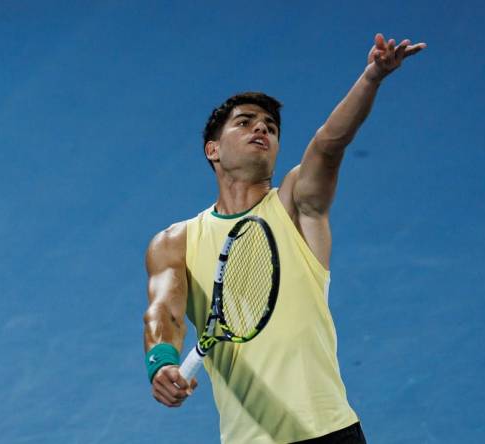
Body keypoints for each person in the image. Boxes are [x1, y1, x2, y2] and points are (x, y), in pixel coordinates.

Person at [143, 33, 426, 443]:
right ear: (213, 150)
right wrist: (162, 363)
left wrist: (372, 78)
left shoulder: (297, 206)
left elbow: (329, 144)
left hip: (331, 431)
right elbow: (164, 312)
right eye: (244, 123)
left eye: (271, 127)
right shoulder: (174, 242)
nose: (261, 128)